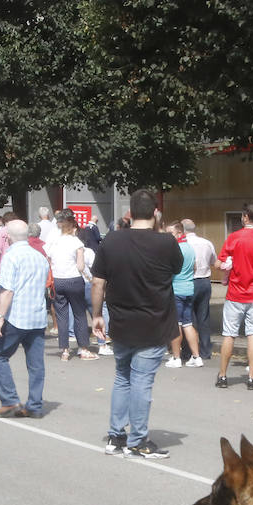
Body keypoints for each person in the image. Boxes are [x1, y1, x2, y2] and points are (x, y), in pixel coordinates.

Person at [92, 188, 182, 458]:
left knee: (122, 377)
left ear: (129, 213)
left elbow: (98, 282)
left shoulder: (111, 241)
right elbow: (175, 268)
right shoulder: (166, 243)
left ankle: (117, 435)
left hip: (121, 320)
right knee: (142, 380)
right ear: (155, 212)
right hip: (154, 321)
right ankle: (138, 439)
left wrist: (96, 314)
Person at [0, 220, 50, 418]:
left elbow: (7, 291)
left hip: (16, 316)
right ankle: (35, 405)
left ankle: (10, 400)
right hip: (37, 316)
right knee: (36, 365)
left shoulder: (11, 256)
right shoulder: (39, 257)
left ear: (7, 237)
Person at [216, 202, 253, 389]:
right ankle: (251, 376)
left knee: (229, 334)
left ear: (245, 217)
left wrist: (228, 265)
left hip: (235, 293)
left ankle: (223, 376)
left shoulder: (234, 238)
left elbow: (219, 264)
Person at [47, 211, 96, 360]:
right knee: (79, 314)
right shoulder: (76, 243)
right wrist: (88, 276)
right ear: (73, 228)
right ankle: (83, 349)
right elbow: (80, 266)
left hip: (58, 281)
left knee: (62, 316)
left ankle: (65, 350)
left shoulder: (54, 243)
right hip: (74, 280)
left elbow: (49, 260)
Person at [164, 221, 202, 367]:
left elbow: (169, 270)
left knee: (176, 324)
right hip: (189, 288)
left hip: (176, 289)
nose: (168, 237)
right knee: (188, 323)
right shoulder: (190, 248)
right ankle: (196, 356)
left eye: (170, 233)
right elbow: (194, 267)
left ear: (179, 233)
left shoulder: (176, 249)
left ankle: (176, 358)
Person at [182, 219, 216, 359]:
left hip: (189, 281)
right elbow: (214, 261)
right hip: (205, 281)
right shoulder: (206, 243)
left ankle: (188, 350)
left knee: (187, 317)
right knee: (203, 317)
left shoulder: (184, 244)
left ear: (183, 230)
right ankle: (205, 350)